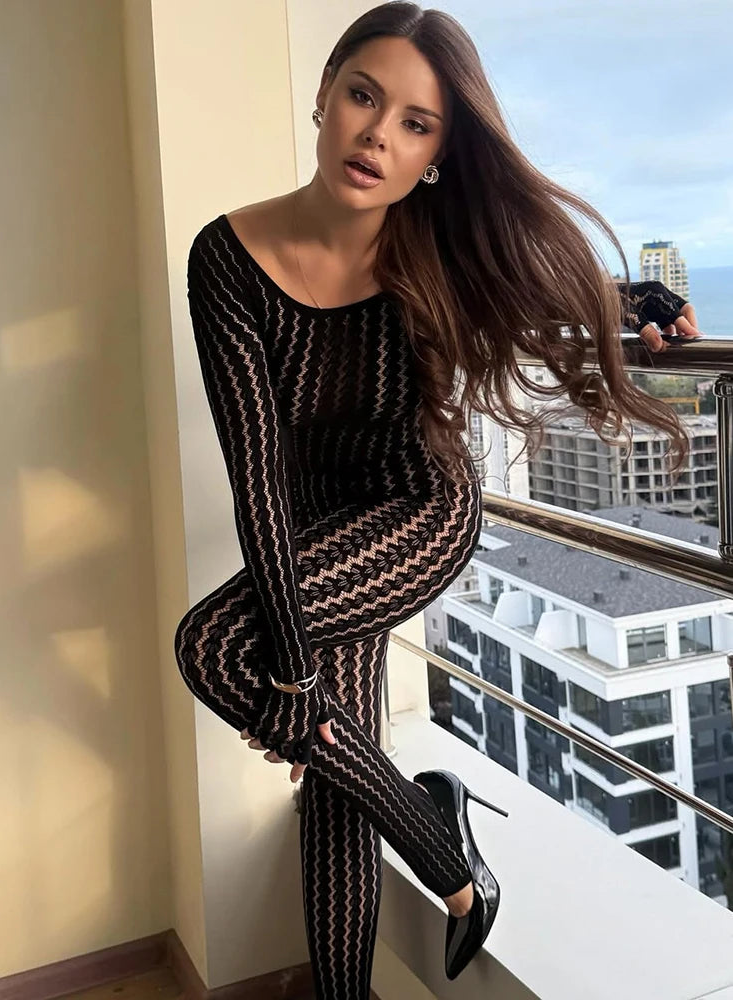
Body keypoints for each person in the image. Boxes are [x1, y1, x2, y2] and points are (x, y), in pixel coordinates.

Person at [173, 3, 704, 995]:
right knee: (334, 767)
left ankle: (441, 846)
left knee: (211, 648)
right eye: (364, 97)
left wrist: (639, 301)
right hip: (315, 527)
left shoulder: (436, 248)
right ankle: (430, 864)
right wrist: (295, 678)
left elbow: (547, 289)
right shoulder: (226, 257)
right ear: (325, 93)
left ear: (435, 155)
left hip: (420, 513)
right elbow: (258, 479)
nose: (378, 135)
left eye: (416, 124)